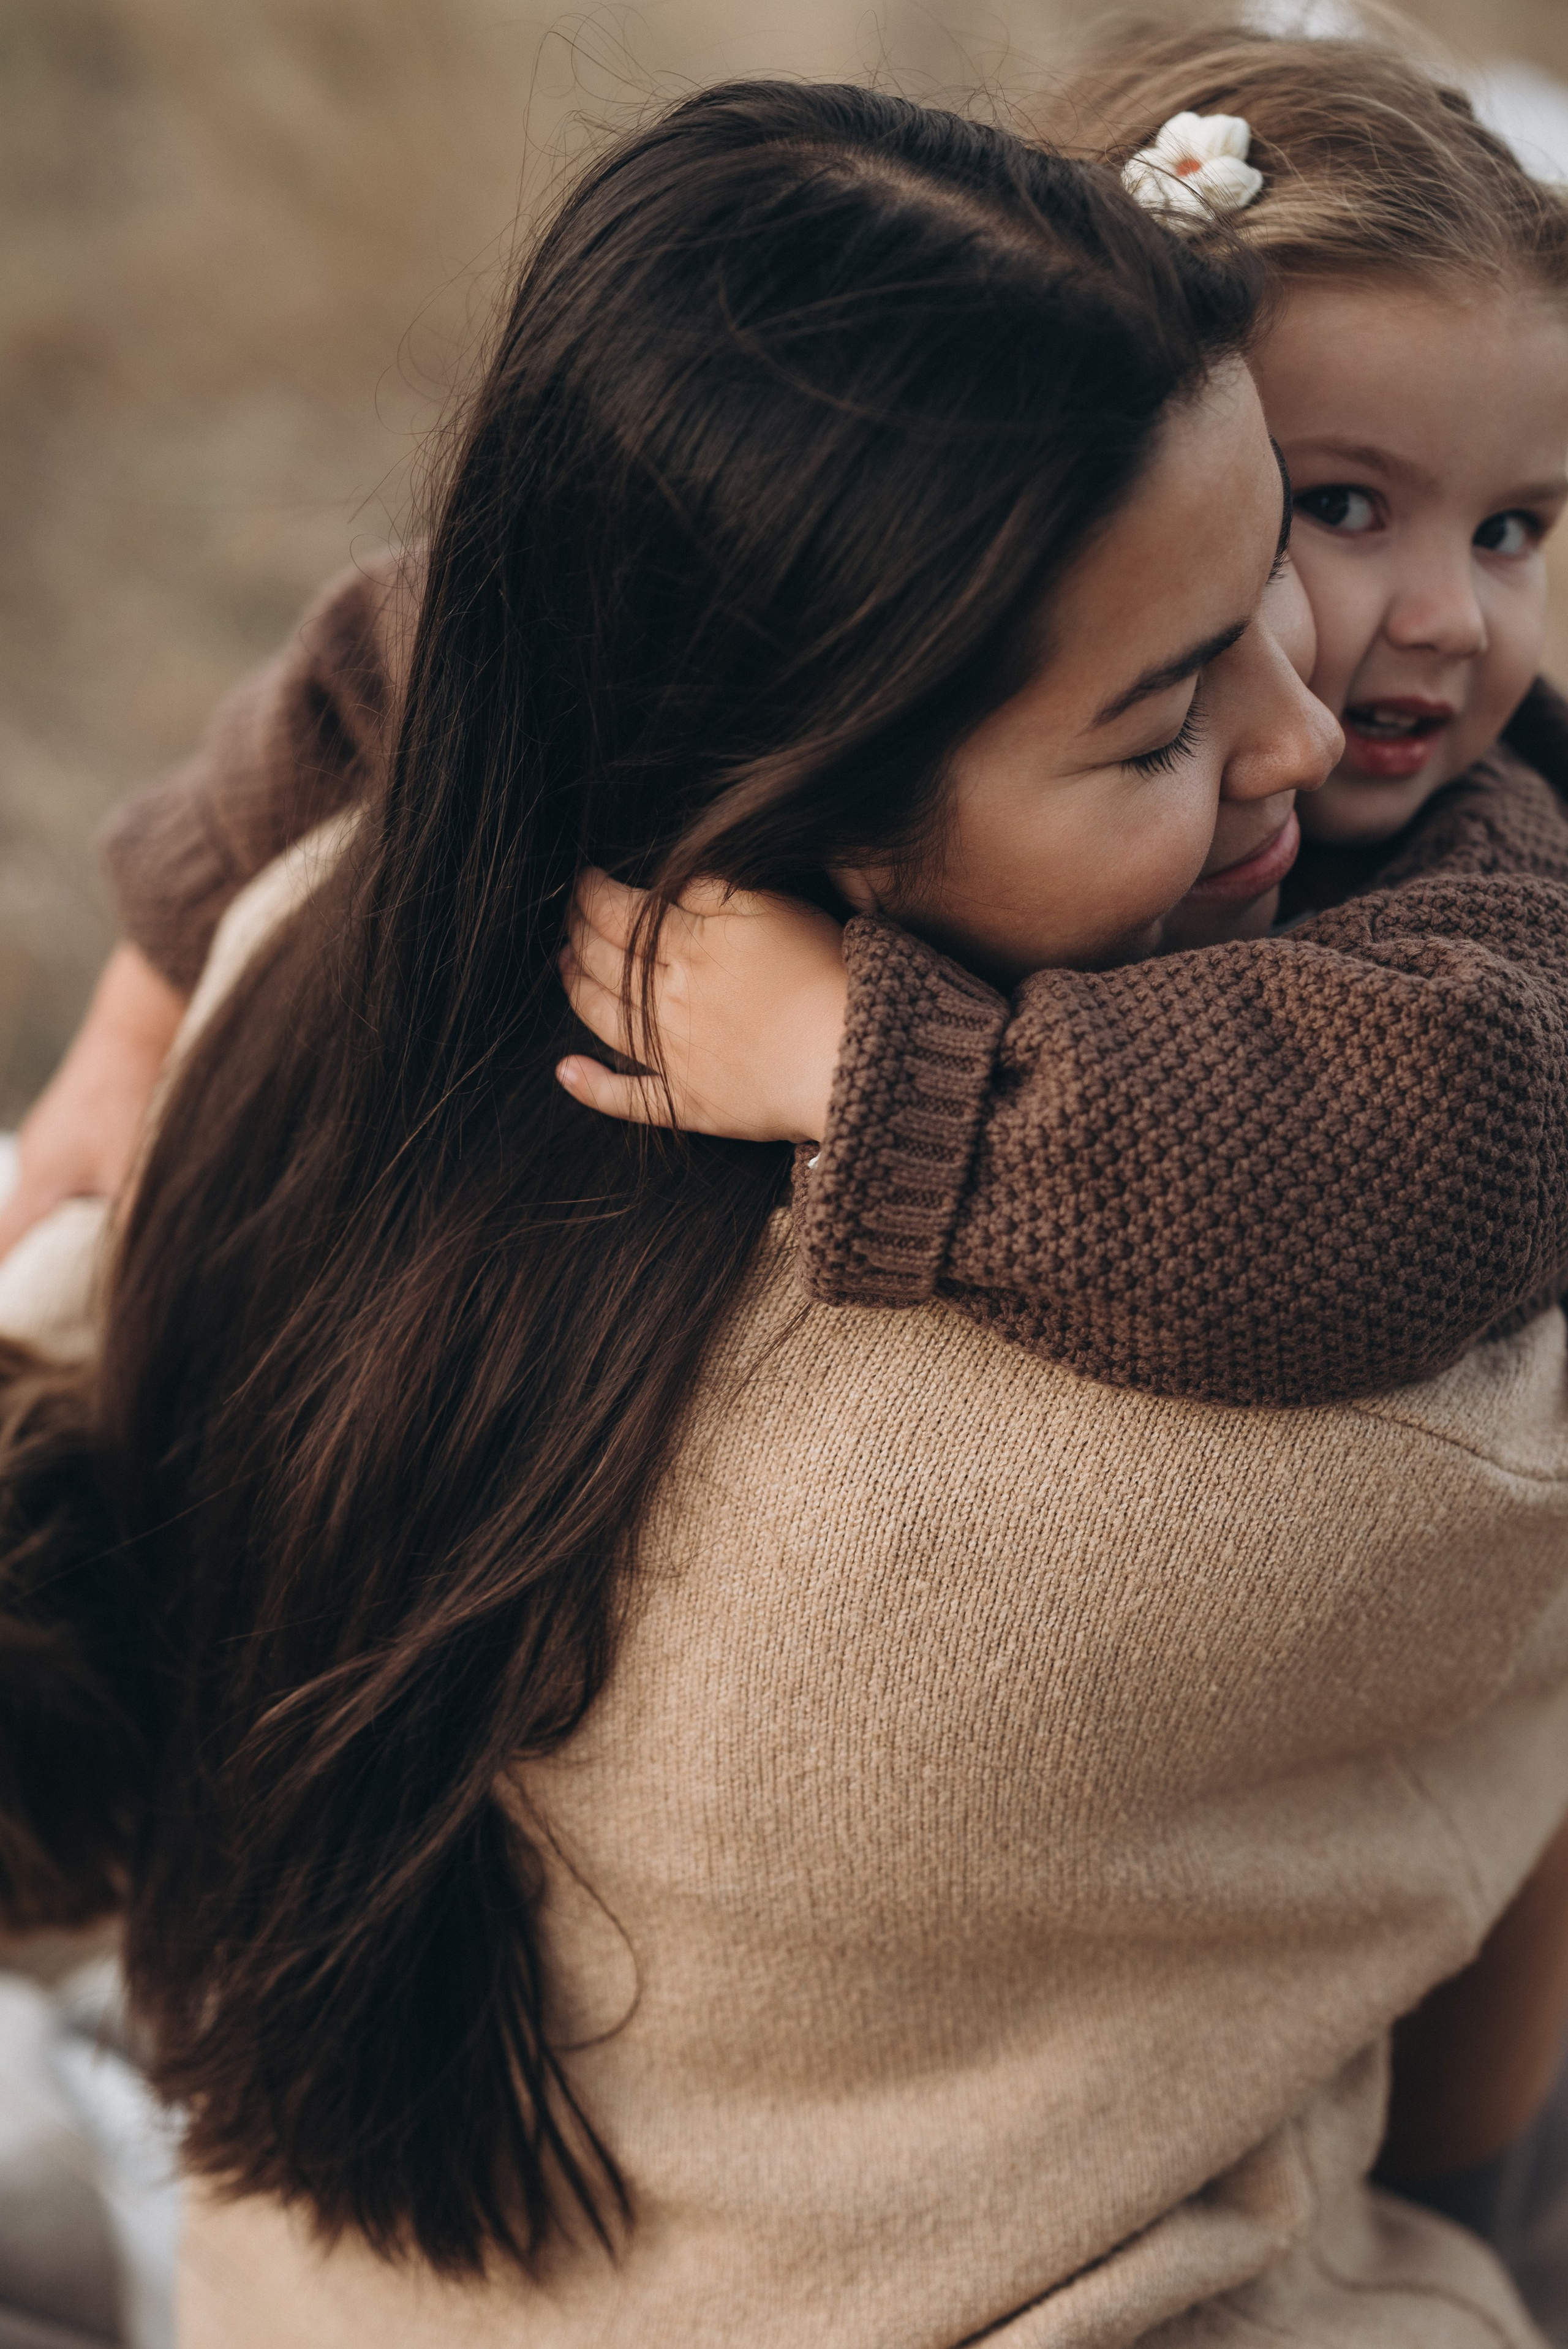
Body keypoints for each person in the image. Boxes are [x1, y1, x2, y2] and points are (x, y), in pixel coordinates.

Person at [7, 70, 1568, 2349]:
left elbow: (433, 645)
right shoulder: (1325, 1417)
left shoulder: (321, 985)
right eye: (1160, 719)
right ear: (799, 782)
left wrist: (141, 1024)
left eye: (1519, 530)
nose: (1328, 723)